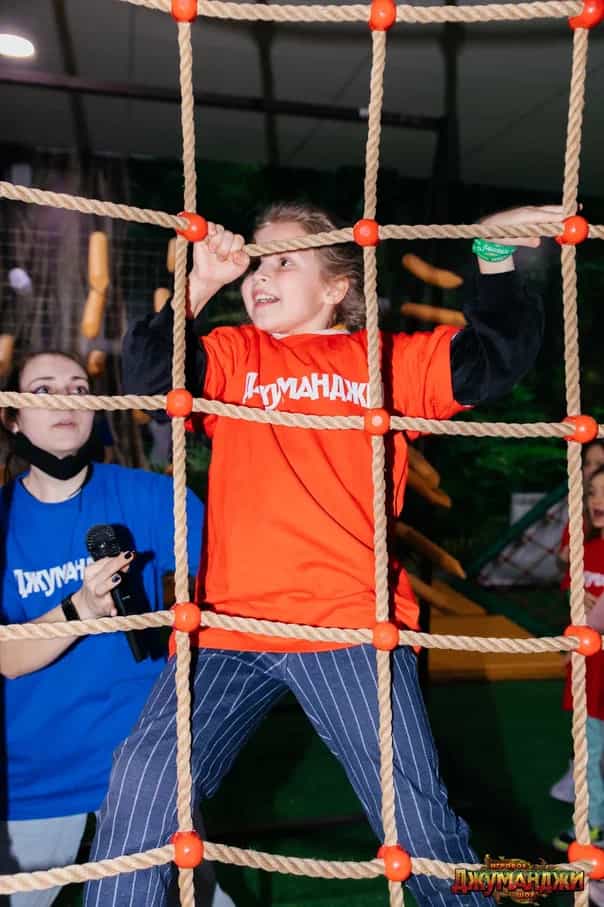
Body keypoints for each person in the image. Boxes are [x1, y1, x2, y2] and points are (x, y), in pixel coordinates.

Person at [85, 201, 560, 907]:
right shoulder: (234, 353)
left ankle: (542, 883)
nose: (261, 277)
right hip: (229, 630)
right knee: (142, 781)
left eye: (284, 263)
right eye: (258, 264)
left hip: (347, 627)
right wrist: (201, 282)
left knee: (420, 832)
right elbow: (152, 380)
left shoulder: (384, 360)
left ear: (337, 286)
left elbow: (493, 360)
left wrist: (493, 256)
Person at [0, 350, 235, 907]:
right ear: (13, 417)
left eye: (80, 389)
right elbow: (6, 658)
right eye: (44, 389)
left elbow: (235, 574)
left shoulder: (151, 496)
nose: (66, 401)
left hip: (142, 770)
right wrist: (80, 607)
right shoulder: (4, 519)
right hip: (35, 778)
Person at [551, 464, 604, 856]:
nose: (596, 499)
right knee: (589, 756)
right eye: (592, 492)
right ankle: (593, 823)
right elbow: (573, 605)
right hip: (589, 677)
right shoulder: (586, 552)